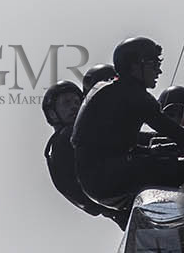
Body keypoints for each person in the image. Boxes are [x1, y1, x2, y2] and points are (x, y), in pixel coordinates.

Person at [72, 36, 184, 210]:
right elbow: (183, 137)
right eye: (154, 64)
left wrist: (149, 151)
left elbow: (104, 142)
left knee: (174, 163)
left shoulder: (108, 88)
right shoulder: (134, 96)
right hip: (109, 180)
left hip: (97, 182)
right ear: (136, 65)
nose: (159, 71)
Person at [43, 80, 128, 229]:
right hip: (123, 196)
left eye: (77, 101)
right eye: (67, 103)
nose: (74, 106)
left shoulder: (55, 148)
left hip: (117, 209)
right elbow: (121, 142)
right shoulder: (68, 138)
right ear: (52, 114)